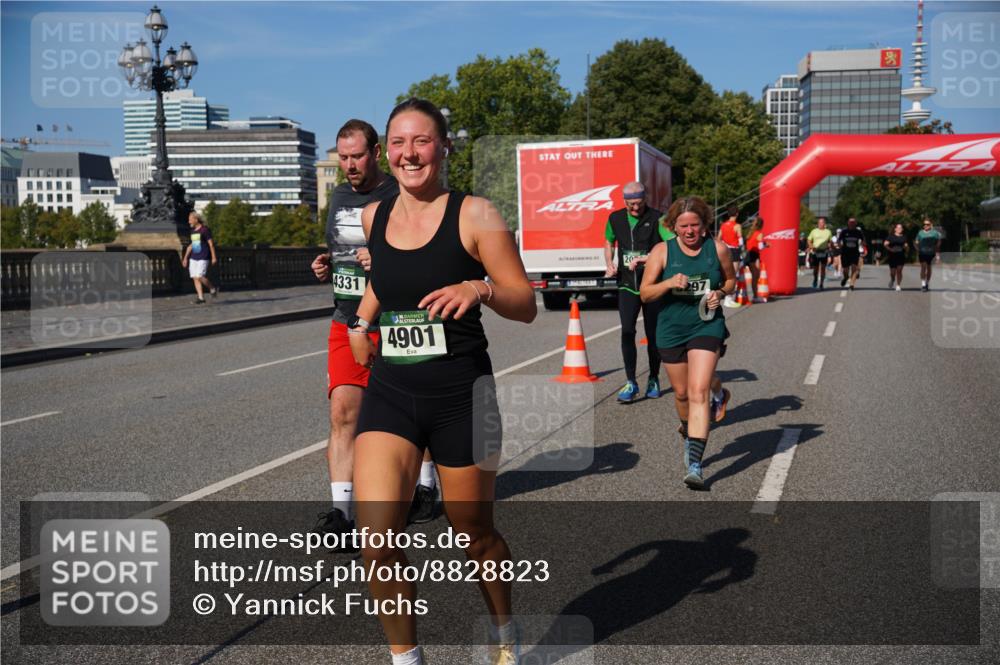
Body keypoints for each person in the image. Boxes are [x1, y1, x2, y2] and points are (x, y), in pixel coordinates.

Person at [349, 98, 536, 665]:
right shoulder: (372, 217)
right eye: (399, 143)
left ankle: (505, 632)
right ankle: (408, 660)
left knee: (473, 532)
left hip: (462, 397)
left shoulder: (476, 214)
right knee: (376, 538)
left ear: (443, 147)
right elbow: (387, 278)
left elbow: (525, 303)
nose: (410, 154)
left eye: (422, 141)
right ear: (387, 152)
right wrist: (363, 319)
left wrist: (477, 288)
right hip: (392, 392)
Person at [309, 120, 439, 546]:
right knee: (343, 412)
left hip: (398, 319)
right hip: (347, 319)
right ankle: (343, 515)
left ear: (376, 153)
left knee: (412, 413)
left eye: (356, 156)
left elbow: (423, 249)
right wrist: (327, 262)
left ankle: (425, 486)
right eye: (342, 157)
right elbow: (342, 246)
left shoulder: (397, 192)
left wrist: (383, 258)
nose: (348, 165)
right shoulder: (341, 196)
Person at [640, 196, 737, 489]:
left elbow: (731, 280)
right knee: (681, 394)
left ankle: (696, 463)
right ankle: (690, 431)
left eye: (695, 225)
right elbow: (645, 293)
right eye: (683, 226)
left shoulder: (717, 248)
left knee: (698, 391)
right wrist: (668, 283)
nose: (690, 231)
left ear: (704, 224)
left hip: (706, 323)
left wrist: (720, 294)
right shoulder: (662, 251)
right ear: (673, 227)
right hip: (670, 329)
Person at [604, 182, 665, 403]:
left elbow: (669, 247)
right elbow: (609, 242)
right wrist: (609, 263)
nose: (635, 208)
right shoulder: (615, 218)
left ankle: (654, 378)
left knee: (653, 334)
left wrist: (647, 258)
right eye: (631, 204)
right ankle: (631, 381)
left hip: (652, 283)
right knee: (627, 331)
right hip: (627, 284)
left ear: (645, 199)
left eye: (638, 203)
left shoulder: (658, 218)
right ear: (624, 202)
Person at [181, 212, 218, 304]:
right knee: (195, 277)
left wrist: (213, 257)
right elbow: (191, 245)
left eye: (190, 219)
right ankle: (201, 298)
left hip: (203, 256)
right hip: (193, 257)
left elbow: (211, 244)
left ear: (196, 219)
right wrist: (185, 258)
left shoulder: (204, 230)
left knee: (200, 276)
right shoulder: (193, 231)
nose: (189, 221)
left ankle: (212, 288)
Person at [717, 206, 743, 307]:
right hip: (734, 250)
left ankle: (724, 295)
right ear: (737, 214)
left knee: (725, 274)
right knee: (733, 275)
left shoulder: (723, 225)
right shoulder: (737, 226)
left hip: (725, 250)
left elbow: (719, 238)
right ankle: (729, 299)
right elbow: (740, 241)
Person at [838, 217, 866, 291]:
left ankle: (852, 285)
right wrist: (840, 246)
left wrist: (863, 244)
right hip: (845, 253)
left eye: (853, 222)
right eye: (850, 222)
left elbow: (863, 240)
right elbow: (839, 240)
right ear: (848, 223)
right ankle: (846, 277)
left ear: (856, 223)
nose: (852, 224)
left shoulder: (858, 232)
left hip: (854, 253)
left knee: (854, 269)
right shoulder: (844, 231)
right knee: (845, 269)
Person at [744, 217, 768, 302]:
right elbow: (761, 247)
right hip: (754, 255)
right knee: (755, 277)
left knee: (754, 276)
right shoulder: (759, 234)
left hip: (749, 255)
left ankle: (755, 296)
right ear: (762, 225)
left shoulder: (750, 233)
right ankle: (755, 296)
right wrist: (766, 245)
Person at [916, 218, 942, 291]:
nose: (926, 225)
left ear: (930, 225)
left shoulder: (935, 233)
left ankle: (927, 283)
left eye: (927, 224)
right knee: (923, 267)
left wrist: (938, 255)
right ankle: (923, 284)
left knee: (929, 268)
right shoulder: (920, 233)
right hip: (922, 253)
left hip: (931, 253)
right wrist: (918, 248)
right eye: (924, 224)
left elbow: (938, 244)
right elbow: (916, 242)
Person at [807, 217, 833, 289]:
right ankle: (815, 279)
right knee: (815, 269)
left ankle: (821, 283)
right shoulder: (814, 231)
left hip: (824, 251)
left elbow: (830, 241)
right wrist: (811, 246)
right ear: (818, 224)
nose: (821, 224)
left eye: (822, 223)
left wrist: (830, 246)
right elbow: (809, 240)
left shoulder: (828, 231)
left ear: (825, 224)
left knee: (823, 268)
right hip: (816, 251)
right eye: (820, 223)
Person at [883, 223, 908, 291]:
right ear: (895, 229)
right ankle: (892, 279)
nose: (899, 229)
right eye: (898, 228)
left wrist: (905, 247)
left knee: (899, 271)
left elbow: (906, 244)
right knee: (892, 272)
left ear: (902, 229)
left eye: (901, 228)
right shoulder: (891, 236)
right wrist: (890, 249)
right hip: (892, 256)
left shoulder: (904, 237)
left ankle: (898, 285)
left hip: (901, 255)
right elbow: (885, 244)